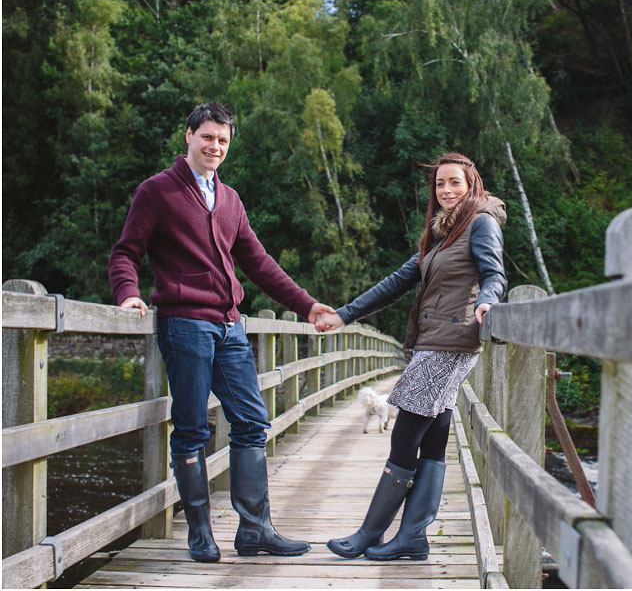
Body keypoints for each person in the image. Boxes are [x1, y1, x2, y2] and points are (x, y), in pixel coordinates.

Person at [108, 102, 335, 562]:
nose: (215, 147)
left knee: (252, 422)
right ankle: (199, 533)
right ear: (188, 136)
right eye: (208, 137)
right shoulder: (157, 192)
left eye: (223, 141)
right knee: (191, 429)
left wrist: (307, 305)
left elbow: (259, 264)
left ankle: (255, 531)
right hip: (185, 325)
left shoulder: (230, 199)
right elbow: (125, 252)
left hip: (230, 326)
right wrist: (127, 293)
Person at [316, 152, 506, 561]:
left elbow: (494, 274)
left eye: (455, 182)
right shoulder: (440, 233)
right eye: (440, 184)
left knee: (404, 437)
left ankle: (369, 533)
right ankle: (412, 538)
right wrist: (344, 314)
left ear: (471, 184)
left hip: (450, 342)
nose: (447, 190)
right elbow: (397, 281)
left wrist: (488, 304)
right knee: (434, 439)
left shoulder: (481, 222)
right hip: (433, 341)